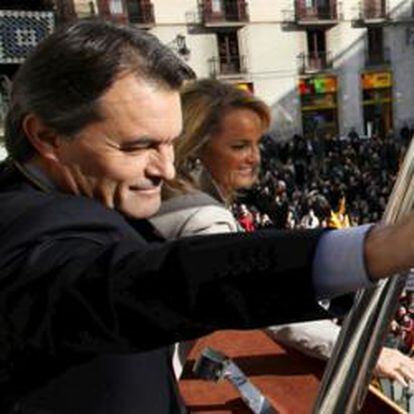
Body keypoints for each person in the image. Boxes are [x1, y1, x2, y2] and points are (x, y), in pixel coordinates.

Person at [1, 21, 414, 414]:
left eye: (169, 143)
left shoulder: (72, 202)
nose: (164, 169)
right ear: (47, 137)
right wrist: (376, 249)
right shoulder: (29, 240)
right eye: (138, 146)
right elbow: (157, 282)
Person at [151, 78, 414, 386]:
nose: (255, 157)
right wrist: (363, 353)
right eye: (239, 146)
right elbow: (262, 301)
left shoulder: (161, 194)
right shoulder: (201, 217)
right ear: (195, 147)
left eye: (256, 144)